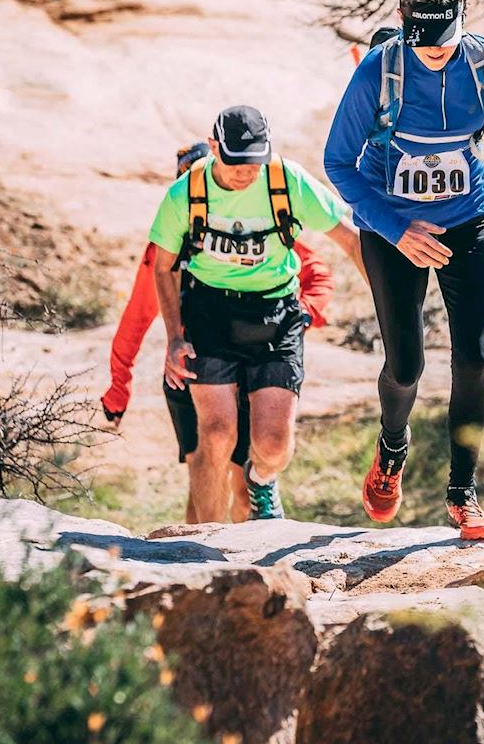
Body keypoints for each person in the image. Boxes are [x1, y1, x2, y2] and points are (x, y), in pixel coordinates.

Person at [323, 0, 484, 541]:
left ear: (462, 15)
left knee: (473, 358)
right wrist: (397, 229)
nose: (435, 52)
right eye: (423, 41)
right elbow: (337, 163)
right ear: (402, 18)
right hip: (390, 224)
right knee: (406, 364)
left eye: (444, 39)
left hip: (466, 219)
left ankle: (463, 495)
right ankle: (392, 450)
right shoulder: (379, 70)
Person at [101, 142, 337, 524]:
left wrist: (305, 315)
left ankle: (243, 556)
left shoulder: (258, 224)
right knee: (203, 460)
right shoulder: (164, 246)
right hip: (190, 359)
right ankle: (200, 555)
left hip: (248, 359)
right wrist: (118, 389)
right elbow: (136, 318)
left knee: (242, 476)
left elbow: (317, 271)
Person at [149, 106, 364, 523]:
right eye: (236, 165)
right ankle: (205, 548)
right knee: (215, 434)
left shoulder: (287, 181)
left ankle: (262, 479)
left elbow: (351, 240)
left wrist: (393, 315)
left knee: (273, 446)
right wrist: (174, 337)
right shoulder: (185, 194)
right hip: (210, 313)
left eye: (254, 163)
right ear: (213, 149)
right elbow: (162, 268)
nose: (247, 173)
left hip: (275, 315)